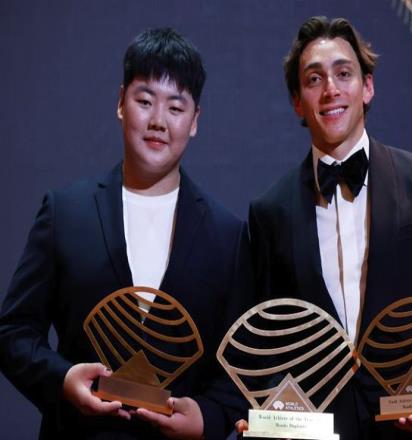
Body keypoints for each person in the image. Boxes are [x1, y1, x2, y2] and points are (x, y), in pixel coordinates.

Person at [0, 27, 253, 439]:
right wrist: (63, 379)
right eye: (144, 101)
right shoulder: (65, 213)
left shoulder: (228, 236)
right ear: (121, 102)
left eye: (175, 107)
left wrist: (207, 418)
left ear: (194, 121)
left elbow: (241, 370)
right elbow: (13, 333)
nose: (158, 121)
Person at [247, 16, 412, 440]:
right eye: (314, 79)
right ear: (297, 102)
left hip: (408, 429)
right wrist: (270, 410)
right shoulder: (270, 212)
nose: (331, 89)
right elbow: (268, 344)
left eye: (344, 73)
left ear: (367, 87)